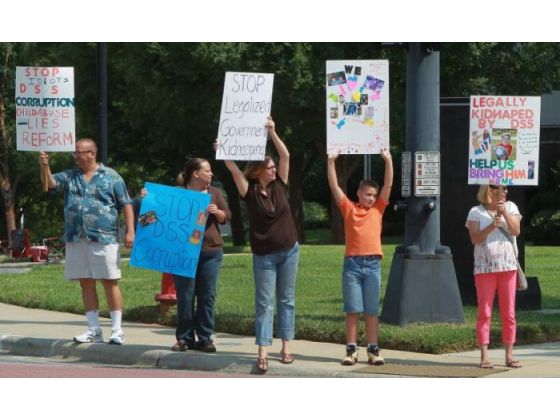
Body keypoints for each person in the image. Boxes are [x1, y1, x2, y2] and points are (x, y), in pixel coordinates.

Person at [218, 117, 299, 373]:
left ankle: (286, 346)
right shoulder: (249, 191)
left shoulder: (281, 185)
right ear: (258, 171)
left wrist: (273, 133)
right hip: (263, 255)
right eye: (270, 167)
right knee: (265, 303)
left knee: (286, 300)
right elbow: (232, 170)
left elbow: (285, 155)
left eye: (274, 167)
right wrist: (223, 149)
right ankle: (263, 349)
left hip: (289, 251)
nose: (274, 170)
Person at [39, 138, 135, 345]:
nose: (75, 156)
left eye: (79, 152)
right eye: (75, 152)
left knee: (110, 281)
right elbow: (49, 184)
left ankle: (117, 330)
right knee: (85, 282)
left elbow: (126, 204)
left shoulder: (111, 176)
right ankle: (94, 329)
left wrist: (130, 231)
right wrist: (44, 166)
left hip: (104, 237)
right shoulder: (70, 176)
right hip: (76, 236)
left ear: (92, 153)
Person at [327, 147, 393, 366]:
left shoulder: (378, 209)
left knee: (372, 310)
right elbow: (335, 187)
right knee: (353, 310)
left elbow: (388, 185)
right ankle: (352, 349)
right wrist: (331, 162)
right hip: (353, 266)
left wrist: (387, 160)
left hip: (373, 264)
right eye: (367, 194)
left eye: (374, 195)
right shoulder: (349, 209)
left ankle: (373, 350)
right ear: (359, 193)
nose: (371, 198)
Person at [171, 158, 231, 353]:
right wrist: (147, 198)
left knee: (207, 295)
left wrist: (218, 212)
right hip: (183, 252)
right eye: (207, 171)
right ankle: (185, 338)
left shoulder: (214, 193)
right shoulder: (178, 194)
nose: (211, 174)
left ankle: (205, 338)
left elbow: (226, 216)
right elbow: (157, 213)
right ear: (196, 174)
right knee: (185, 296)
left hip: (210, 251)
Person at [465, 184, 522, 369]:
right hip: (484, 269)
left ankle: (509, 355)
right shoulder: (475, 211)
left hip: (508, 267)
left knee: (509, 313)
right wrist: (491, 226)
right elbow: (474, 239)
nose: (504, 191)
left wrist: (504, 213)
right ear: (489, 190)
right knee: (485, 312)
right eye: (499, 188)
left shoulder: (511, 207)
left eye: (506, 189)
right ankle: (484, 356)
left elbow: (516, 231)